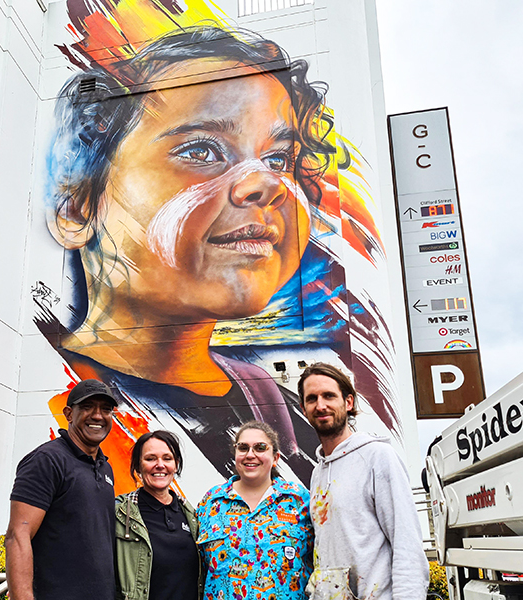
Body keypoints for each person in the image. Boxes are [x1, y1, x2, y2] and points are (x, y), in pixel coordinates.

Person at [34, 25, 354, 484]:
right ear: (79, 207)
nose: (266, 183)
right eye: (202, 150)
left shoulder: (277, 405)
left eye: (279, 160)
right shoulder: (68, 397)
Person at [298, 363, 428, 600]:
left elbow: (406, 543)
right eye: (312, 398)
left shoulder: (378, 457)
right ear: (303, 408)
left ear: (348, 403)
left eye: (329, 396)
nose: (320, 405)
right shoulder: (318, 472)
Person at [5, 379, 118, 600]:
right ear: (68, 413)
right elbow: (17, 535)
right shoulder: (47, 460)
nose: (98, 416)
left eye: (106, 409)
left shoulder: (106, 468)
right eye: (87, 407)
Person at [196, 421, 313, 600]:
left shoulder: (300, 500)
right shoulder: (210, 503)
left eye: (260, 448)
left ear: (275, 458)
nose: (250, 455)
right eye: (243, 448)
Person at [115, 431, 202, 600]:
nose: (160, 465)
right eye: (150, 458)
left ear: (176, 465)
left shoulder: (191, 516)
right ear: (138, 466)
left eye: (167, 458)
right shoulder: (120, 514)